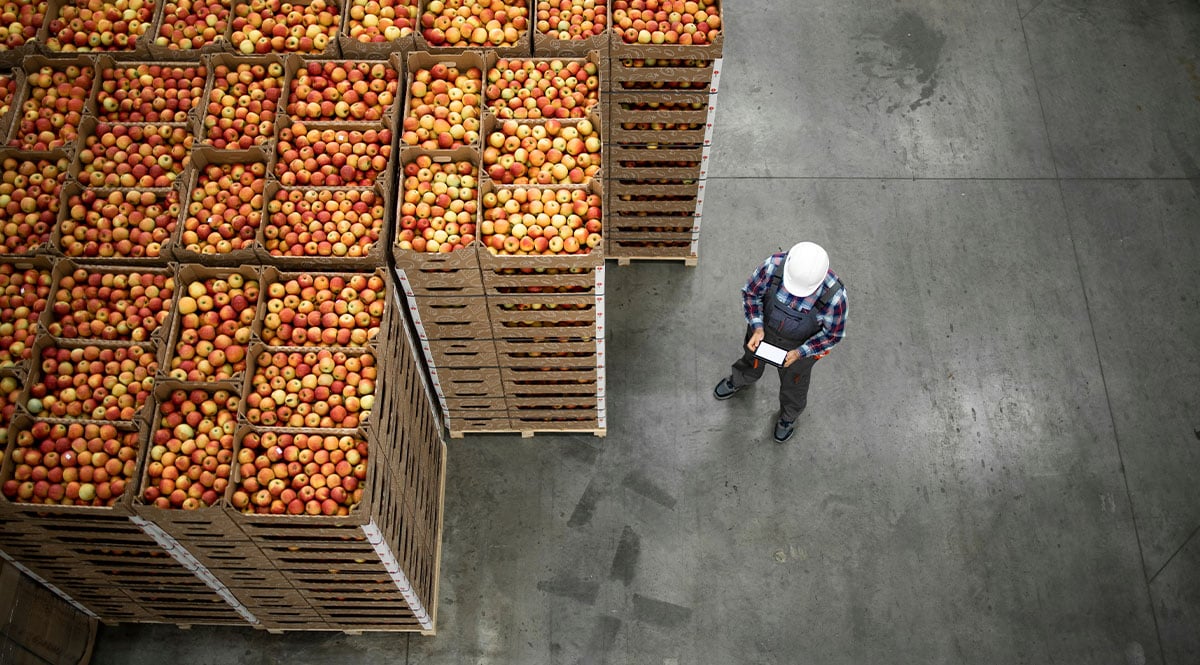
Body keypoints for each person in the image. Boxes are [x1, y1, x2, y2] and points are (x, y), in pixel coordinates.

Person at [713, 241, 848, 443]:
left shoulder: (835, 298)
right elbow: (751, 294)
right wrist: (757, 327)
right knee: (751, 359)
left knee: (795, 383)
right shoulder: (773, 266)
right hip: (763, 331)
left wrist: (800, 352)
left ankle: (788, 417)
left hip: (799, 348)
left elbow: (832, 335)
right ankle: (741, 378)